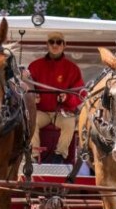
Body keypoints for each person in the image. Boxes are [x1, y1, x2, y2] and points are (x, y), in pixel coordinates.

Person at [28, 31, 85, 162]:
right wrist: (33, 97)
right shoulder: (35, 66)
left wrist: (67, 98)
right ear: (47, 45)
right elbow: (26, 88)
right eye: (52, 42)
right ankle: (34, 156)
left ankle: (59, 155)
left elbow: (81, 93)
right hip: (41, 112)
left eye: (58, 42)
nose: (55, 45)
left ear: (64, 45)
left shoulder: (72, 68)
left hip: (61, 113)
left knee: (70, 123)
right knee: (31, 120)